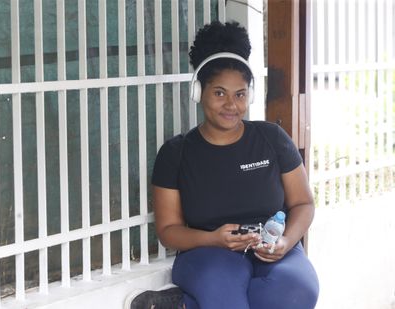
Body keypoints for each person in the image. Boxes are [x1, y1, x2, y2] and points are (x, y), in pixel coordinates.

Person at [126, 20, 319, 309]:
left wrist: (286, 242)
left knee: (296, 292)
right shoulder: (176, 153)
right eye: (219, 93)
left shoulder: (272, 139)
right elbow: (168, 230)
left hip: (272, 248)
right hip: (208, 252)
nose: (231, 105)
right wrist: (214, 239)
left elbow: (303, 203)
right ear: (198, 92)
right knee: (226, 295)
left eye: (240, 94)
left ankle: (186, 305)